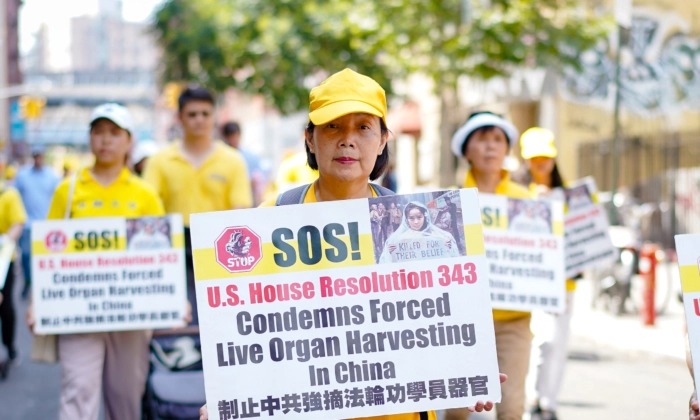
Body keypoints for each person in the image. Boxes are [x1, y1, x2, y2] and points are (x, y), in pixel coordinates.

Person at [199, 68, 502, 420]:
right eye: (332, 126)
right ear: (310, 139)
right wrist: (227, 396)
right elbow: (244, 332)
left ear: (383, 139)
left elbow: (439, 320)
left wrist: (470, 370)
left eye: (363, 127)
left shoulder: (415, 223)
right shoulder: (272, 220)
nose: (347, 140)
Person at [26, 103, 166, 420]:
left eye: (114, 133)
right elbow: (49, 252)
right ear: (89, 139)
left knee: (127, 398)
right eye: (99, 132)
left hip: (131, 314)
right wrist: (37, 301)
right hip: (78, 312)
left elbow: (162, 257)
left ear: (129, 141)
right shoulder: (69, 190)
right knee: (78, 392)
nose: (106, 140)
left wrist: (171, 301)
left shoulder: (145, 193)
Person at [445, 111, 532, 420]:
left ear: (507, 150)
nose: (491, 146)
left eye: (498, 139)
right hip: (463, 322)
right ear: (466, 150)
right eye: (482, 139)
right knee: (455, 410)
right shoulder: (447, 202)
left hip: (513, 322)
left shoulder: (529, 203)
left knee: (512, 410)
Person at [144, 86, 253, 326]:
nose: (199, 120)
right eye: (192, 114)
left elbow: (241, 211)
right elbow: (147, 211)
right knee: (176, 321)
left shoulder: (232, 161)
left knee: (220, 320)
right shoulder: (160, 161)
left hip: (219, 249)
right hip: (171, 249)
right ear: (179, 118)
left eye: (205, 113)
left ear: (214, 117)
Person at [517, 126, 575, 420]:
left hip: (565, 281)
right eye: (535, 158)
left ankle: (548, 402)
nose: (541, 163)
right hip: (533, 280)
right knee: (541, 339)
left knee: (558, 342)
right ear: (527, 161)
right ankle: (533, 398)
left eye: (545, 157)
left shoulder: (570, 196)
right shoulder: (518, 194)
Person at [14, 144, 60, 299]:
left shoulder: (53, 177)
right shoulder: (23, 175)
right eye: (35, 156)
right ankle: (28, 281)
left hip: (46, 226)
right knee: (26, 257)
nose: (38, 158)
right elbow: (14, 195)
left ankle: (43, 286)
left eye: (40, 155)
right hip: (27, 225)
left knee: (45, 259)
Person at [0, 154, 27, 370]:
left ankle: (9, 345)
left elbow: (17, 222)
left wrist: (6, 238)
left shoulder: (8, 194)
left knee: (5, 304)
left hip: (3, 260)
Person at [379, 201, 459, 263]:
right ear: (406, 220)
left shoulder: (439, 236)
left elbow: (453, 260)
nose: (416, 222)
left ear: (425, 217)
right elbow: (387, 264)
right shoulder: (398, 239)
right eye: (411, 218)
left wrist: (447, 247)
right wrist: (389, 252)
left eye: (419, 217)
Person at [221, 121, 267, 206]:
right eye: (230, 136)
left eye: (235, 135)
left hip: (248, 200)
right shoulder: (220, 158)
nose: (233, 139)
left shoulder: (250, 156)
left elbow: (259, 181)